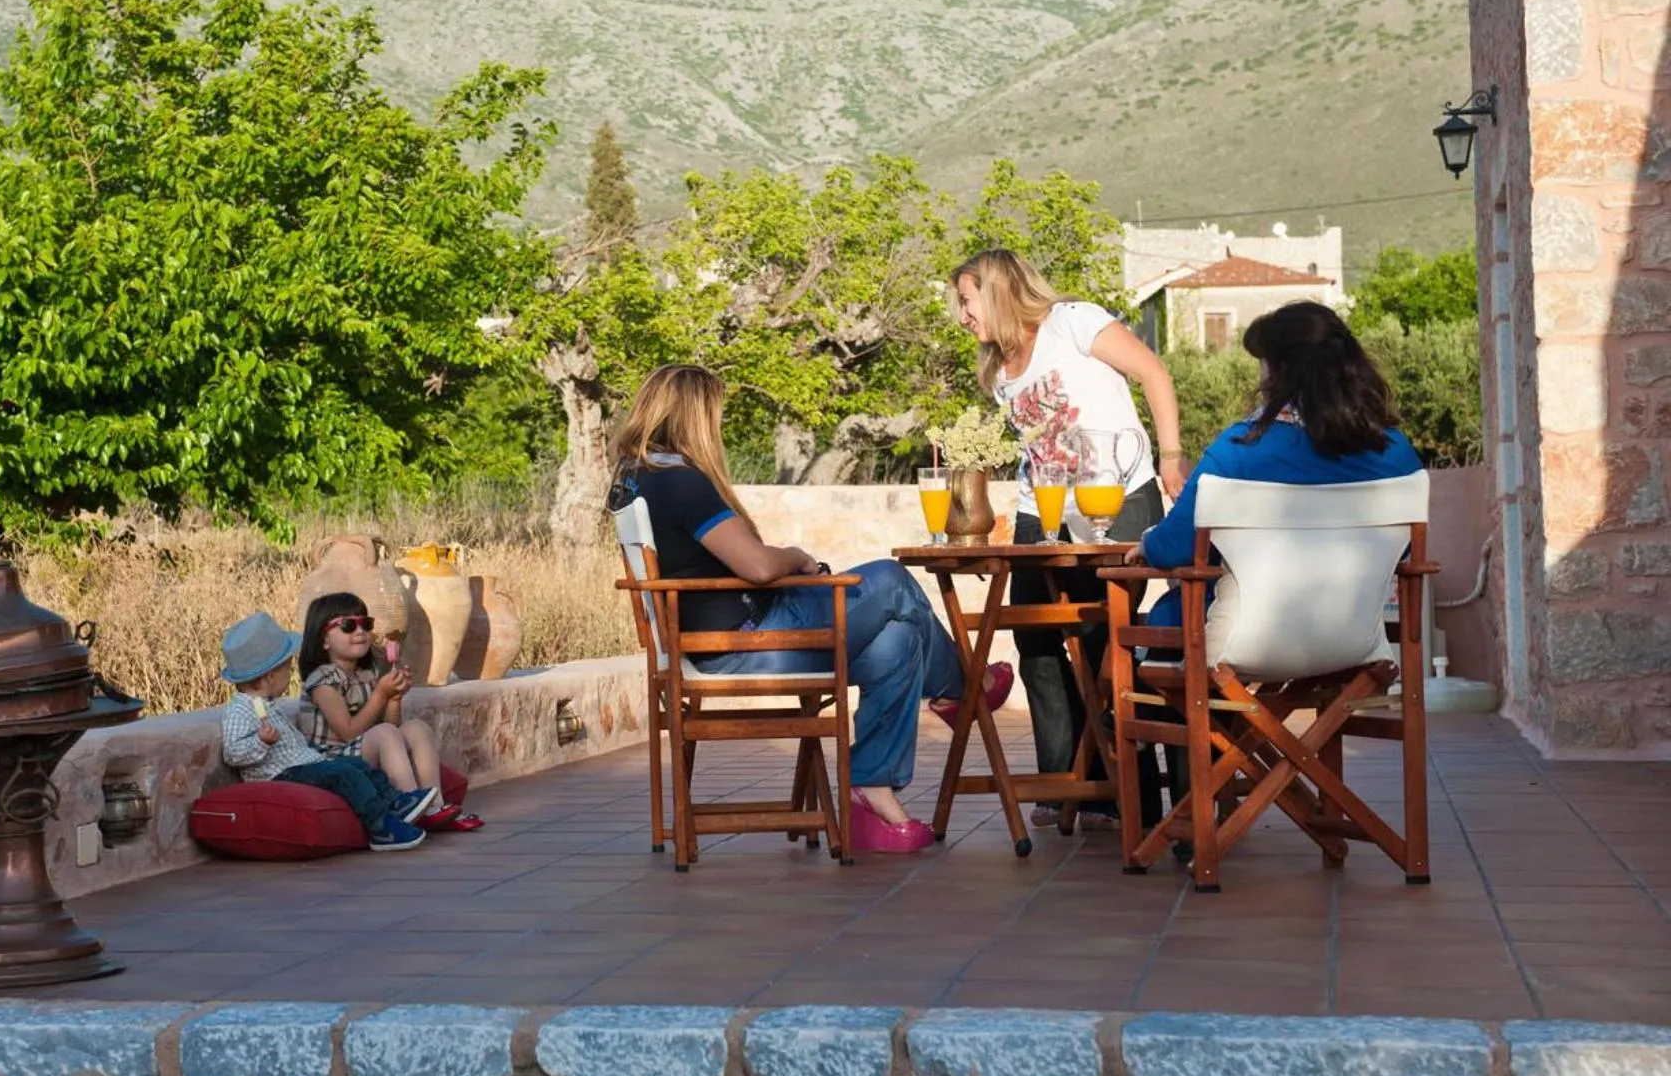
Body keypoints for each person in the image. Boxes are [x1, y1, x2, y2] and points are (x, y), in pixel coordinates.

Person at [608, 363, 1002, 855]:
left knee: (900, 639)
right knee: (892, 579)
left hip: (724, 640)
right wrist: (798, 557)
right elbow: (755, 565)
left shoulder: (638, 480)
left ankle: (874, 796)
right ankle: (967, 689)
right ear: (695, 418)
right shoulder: (682, 483)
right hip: (751, 643)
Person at [950, 248, 1187, 831]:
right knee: (1032, 638)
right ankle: (1065, 782)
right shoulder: (998, 369)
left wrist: (1172, 455)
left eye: (965, 299)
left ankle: (1123, 791)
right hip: (1043, 513)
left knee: (1104, 641)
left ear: (999, 291)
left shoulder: (1073, 321)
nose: (960, 315)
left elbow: (1154, 372)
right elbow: (1038, 449)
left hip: (1120, 499)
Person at [1127, 300, 1424, 633]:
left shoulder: (1239, 451)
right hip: (1352, 638)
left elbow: (1173, 548)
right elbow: (1403, 547)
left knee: (1164, 619)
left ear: (1280, 372)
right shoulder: (1398, 455)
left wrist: (1148, 544)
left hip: (1247, 638)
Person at [216, 611, 430, 851]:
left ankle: (394, 802)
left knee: (356, 766)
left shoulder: (267, 706)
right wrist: (260, 742)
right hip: (284, 774)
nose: (291, 674)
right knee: (342, 774)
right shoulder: (240, 710)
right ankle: (381, 828)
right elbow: (233, 752)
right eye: (287, 668)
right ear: (268, 676)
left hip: (304, 765)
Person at [298, 592, 482, 833]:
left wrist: (394, 697)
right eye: (347, 626)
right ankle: (408, 805)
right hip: (334, 760)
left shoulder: (367, 674)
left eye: (366, 624)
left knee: (416, 728)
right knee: (384, 733)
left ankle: (434, 807)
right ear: (324, 640)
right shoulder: (322, 680)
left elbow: (392, 727)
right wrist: (380, 695)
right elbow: (348, 731)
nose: (360, 631)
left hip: (363, 749)